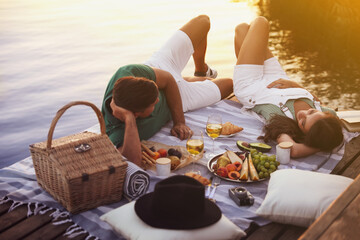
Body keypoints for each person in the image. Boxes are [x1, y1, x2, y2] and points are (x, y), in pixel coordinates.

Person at [102, 15, 233, 166]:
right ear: (136, 114)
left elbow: (168, 80)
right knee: (229, 84)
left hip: (161, 68)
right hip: (183, 97)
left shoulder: (126, 73)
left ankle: (200, 71)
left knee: (203, 22)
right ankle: (186, 82)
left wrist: (179, 122)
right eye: (153, 104)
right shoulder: (118, 132)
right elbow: (133, 161)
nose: (158, 100)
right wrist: (129, 119)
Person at [232, 16, 343, 158]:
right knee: (243, 29)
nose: (303, 114)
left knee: (259, 22)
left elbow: (293, 151)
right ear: (325, 115)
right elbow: (317, 102)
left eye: (302, 123)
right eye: (312, 112)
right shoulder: (328, 118)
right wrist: (296, 85)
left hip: (251, 85)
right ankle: (246, 63)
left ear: (302, 133)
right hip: (278, 78)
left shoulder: (282, 124)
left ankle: (244, 69)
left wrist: (318, 146)